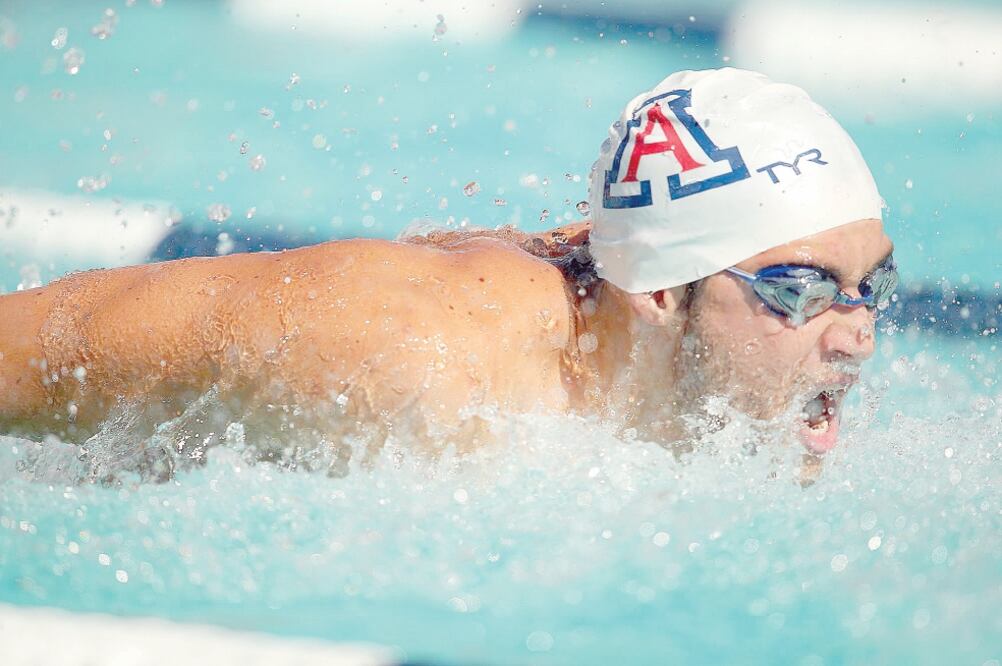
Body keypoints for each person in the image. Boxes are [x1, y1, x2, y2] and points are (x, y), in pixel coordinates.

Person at [0, 68, 895, 470]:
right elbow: (30, 348)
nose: (858, 333)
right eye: (803, 289)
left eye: (874, 286)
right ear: (664, 291)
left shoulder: (667, 357)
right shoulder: (405, 344)